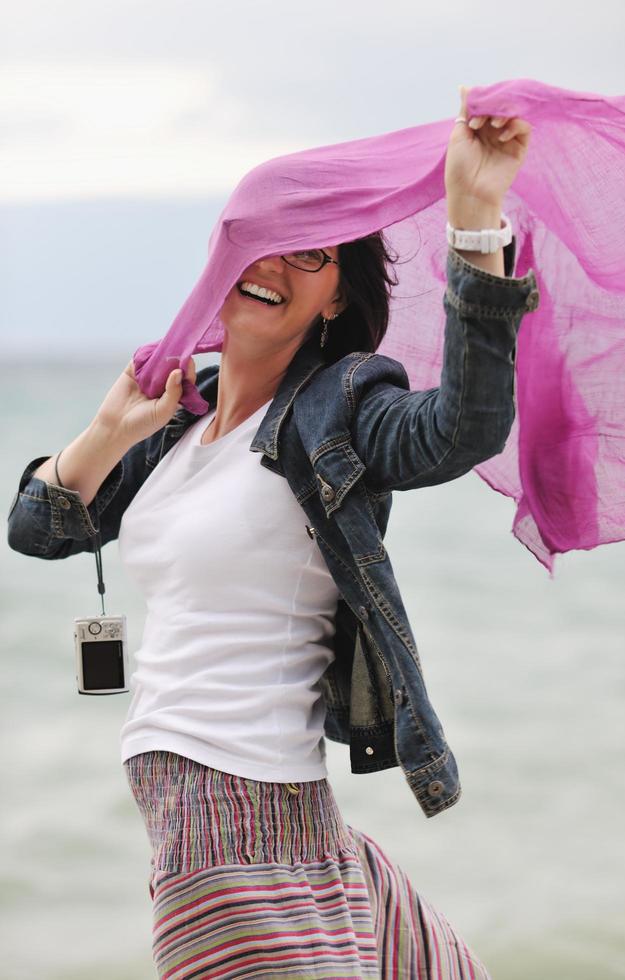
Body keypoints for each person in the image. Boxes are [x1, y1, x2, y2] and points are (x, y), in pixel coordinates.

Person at [7, 88, 537, 978]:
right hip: (238, 823)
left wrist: (475, 222)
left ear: (335, 300)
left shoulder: (343, 403)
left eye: (313, 253)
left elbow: (460, 428)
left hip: (241, 822)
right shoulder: (179, 422)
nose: (277, 264)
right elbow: (37, 530)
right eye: (264, 240)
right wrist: (110, 432)